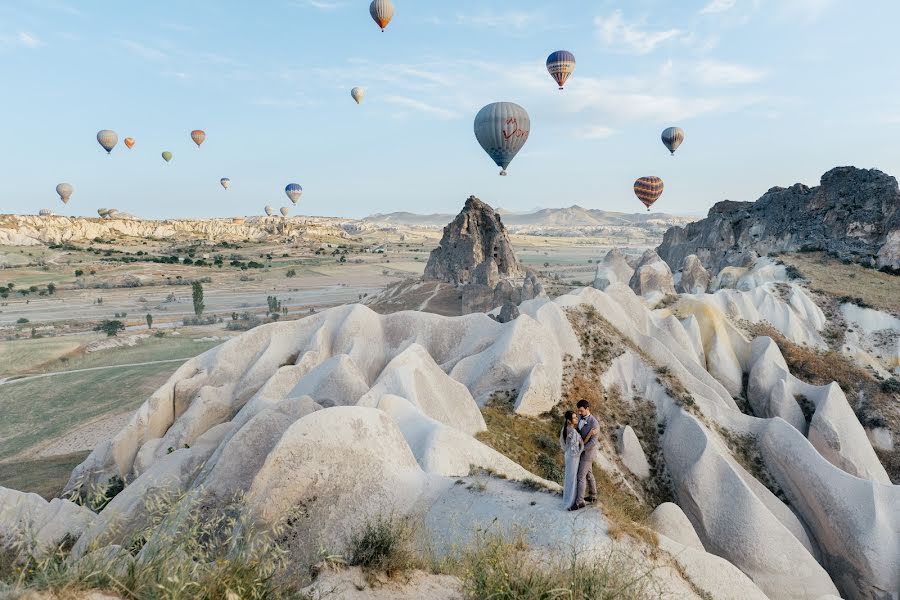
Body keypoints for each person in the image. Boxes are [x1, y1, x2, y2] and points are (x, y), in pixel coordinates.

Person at [571, 399, 599, 511]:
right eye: (578, 411)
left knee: (581, 476)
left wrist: (581, 450)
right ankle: (593, 496)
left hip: (587, 453)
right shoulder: (580, 418)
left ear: (587, 409)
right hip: (582, 450)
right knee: (589, 474)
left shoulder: (595, 423)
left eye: (581, 411)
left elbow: (593, 442)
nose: (579, 413)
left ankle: (580, 502)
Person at [559, 409, 583, 510]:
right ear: (569, 420)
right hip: (573, 457)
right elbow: (575, 448)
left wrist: (568, 451)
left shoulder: (565, 429)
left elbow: (563, 445)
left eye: (576, 417)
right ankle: (571, 501)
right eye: (574, 418)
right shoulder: (572, 431)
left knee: (568, 478)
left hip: (568, 455)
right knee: (572, 479)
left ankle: (567, 499)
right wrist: (580, 451)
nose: (576, 418)